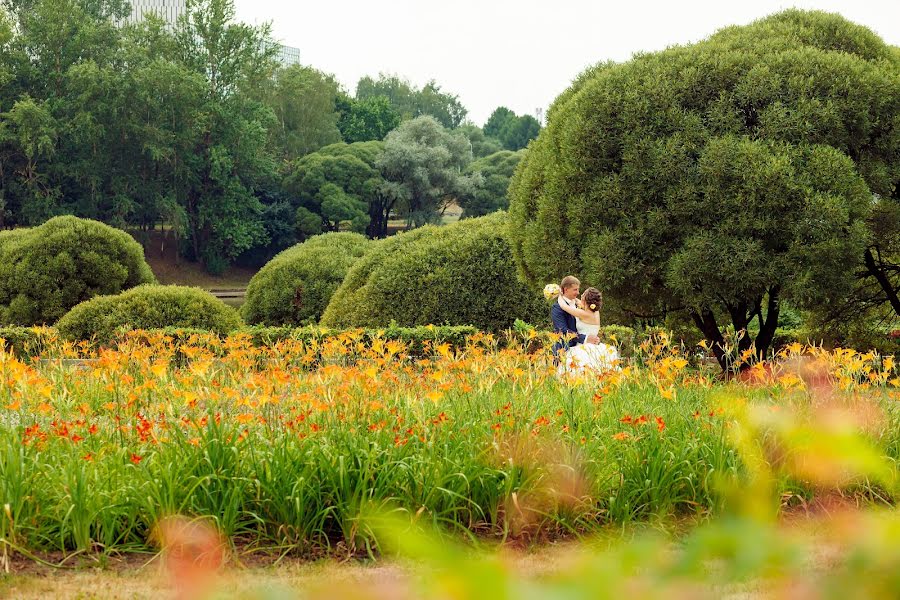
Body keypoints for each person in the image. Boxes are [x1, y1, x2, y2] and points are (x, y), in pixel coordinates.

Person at [557, 286, 621, 375]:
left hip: (583, 347)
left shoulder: (584, 314)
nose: (580, 296)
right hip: (595, 346)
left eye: (582, 295)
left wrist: (560, 294)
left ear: (585, 300)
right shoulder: (595, 312)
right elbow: (579, 301)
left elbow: (564, 306)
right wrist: (573, 298)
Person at [551, 276, 600, 363]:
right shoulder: (557, 308)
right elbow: (562, 330)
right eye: (575, 289)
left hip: (583, 350)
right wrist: (585, 338)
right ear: (566, 290)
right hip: (565, 349)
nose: (578, 292)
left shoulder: (581, 305)